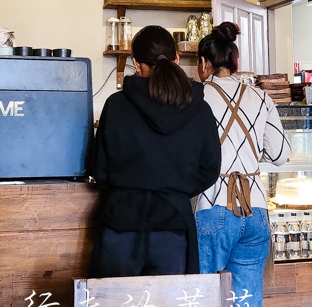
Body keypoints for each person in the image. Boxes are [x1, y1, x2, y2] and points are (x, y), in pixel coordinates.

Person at [89, 25, 221, 276]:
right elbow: (210, 169)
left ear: (136, 64)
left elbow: (100, 169)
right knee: (170, 302)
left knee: (115, 301)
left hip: (121, 224)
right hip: (174, 228)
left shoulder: (116, 106)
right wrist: (175, 191)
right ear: (176, 59)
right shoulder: (199, 109)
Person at [195, 21, 291, 307]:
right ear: (236, 62)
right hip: (255, 209)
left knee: (202, 305)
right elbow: (280, 153)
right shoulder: (260, 97)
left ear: (204, 63)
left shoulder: (197, 96)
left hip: (212, 204)